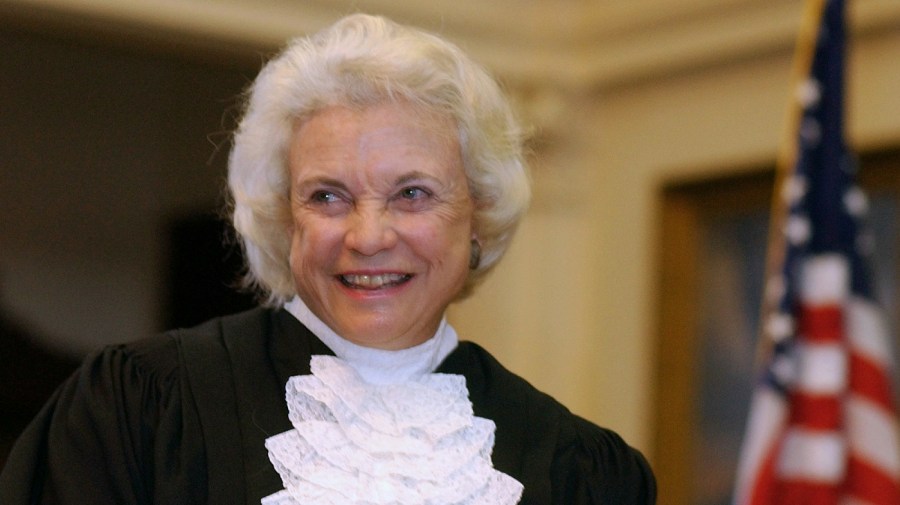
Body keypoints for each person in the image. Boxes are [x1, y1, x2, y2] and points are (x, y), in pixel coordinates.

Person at [0, 13, 656, 504]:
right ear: (284, 219)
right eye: (328, 196)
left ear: (478, 215)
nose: (368, 235)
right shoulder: (140, 409)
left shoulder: (582, 472)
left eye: (413, 193)